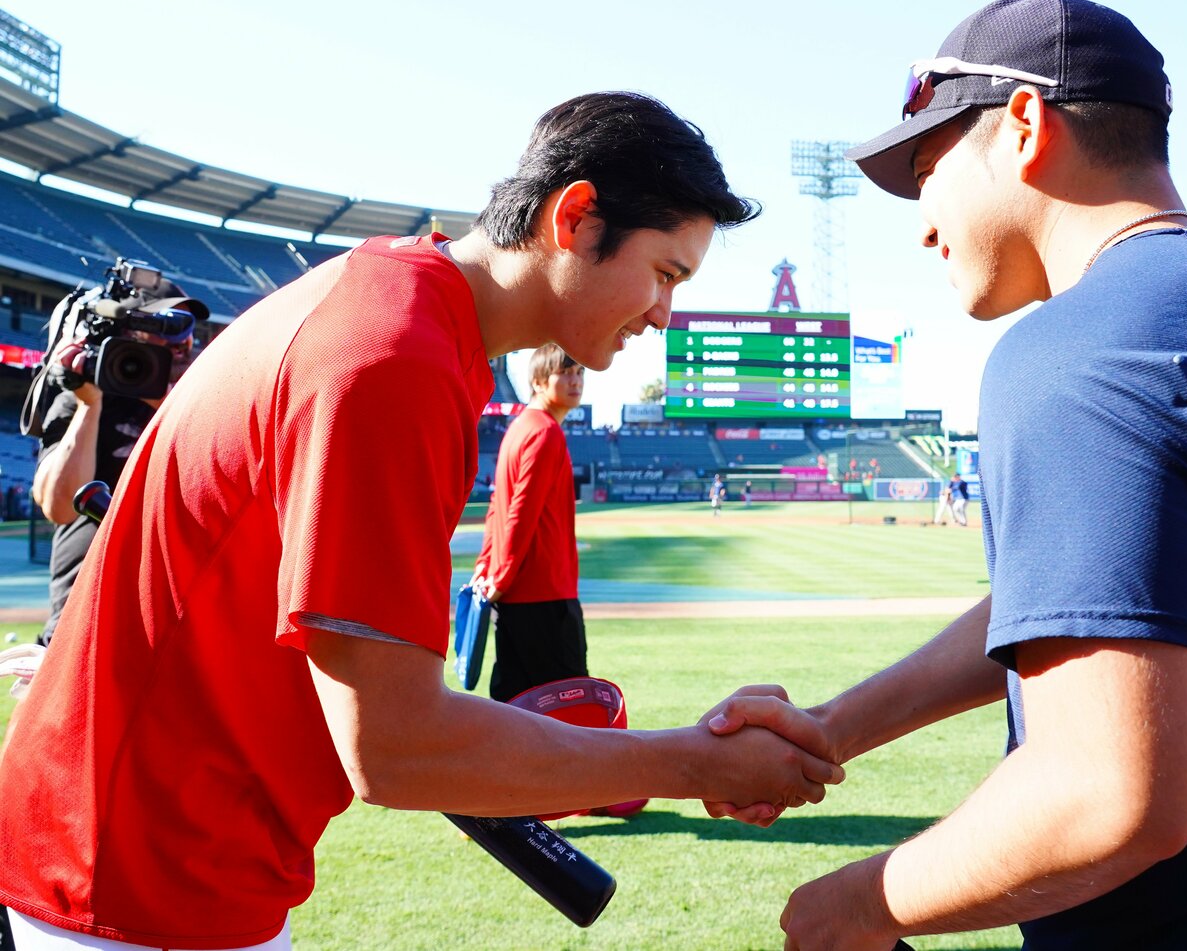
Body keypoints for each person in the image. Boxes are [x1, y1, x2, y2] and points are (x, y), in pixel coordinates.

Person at [0, 92, 843, 951]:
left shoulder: (403, 313)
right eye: (665, 272)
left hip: (156, 850)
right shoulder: (392, 355)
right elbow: (393, 745)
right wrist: (689, 760)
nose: (664, 312)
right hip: (137, 877)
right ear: (577, 217)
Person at [704, 0, 1187, 949]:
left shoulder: (1088, 348)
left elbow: (1108, 794)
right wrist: (836, 726)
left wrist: (849, 907)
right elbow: (1109, 601)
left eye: (928, 169)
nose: (923, 224)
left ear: (1022, 125)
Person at [28, 283, 208, 647]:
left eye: (185, 330)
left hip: (166, 627)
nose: (178, 344)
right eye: (163, 328)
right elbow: (59, 507)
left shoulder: (202, 403)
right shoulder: (84, 398)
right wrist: (88, 406)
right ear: (129, 335)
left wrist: (164, 403)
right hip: (80, 623)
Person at [473, 344, 589, 701]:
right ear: (538, 381)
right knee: (573, 714)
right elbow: (520, 511)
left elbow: (497, 508)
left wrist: (486, 566)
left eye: (579, 373)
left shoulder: (520, 428)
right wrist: (502, 575)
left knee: (512, 707)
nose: (575, 381)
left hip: (518, 599)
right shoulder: (545, 432)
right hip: (546, 598)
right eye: (564, 373)